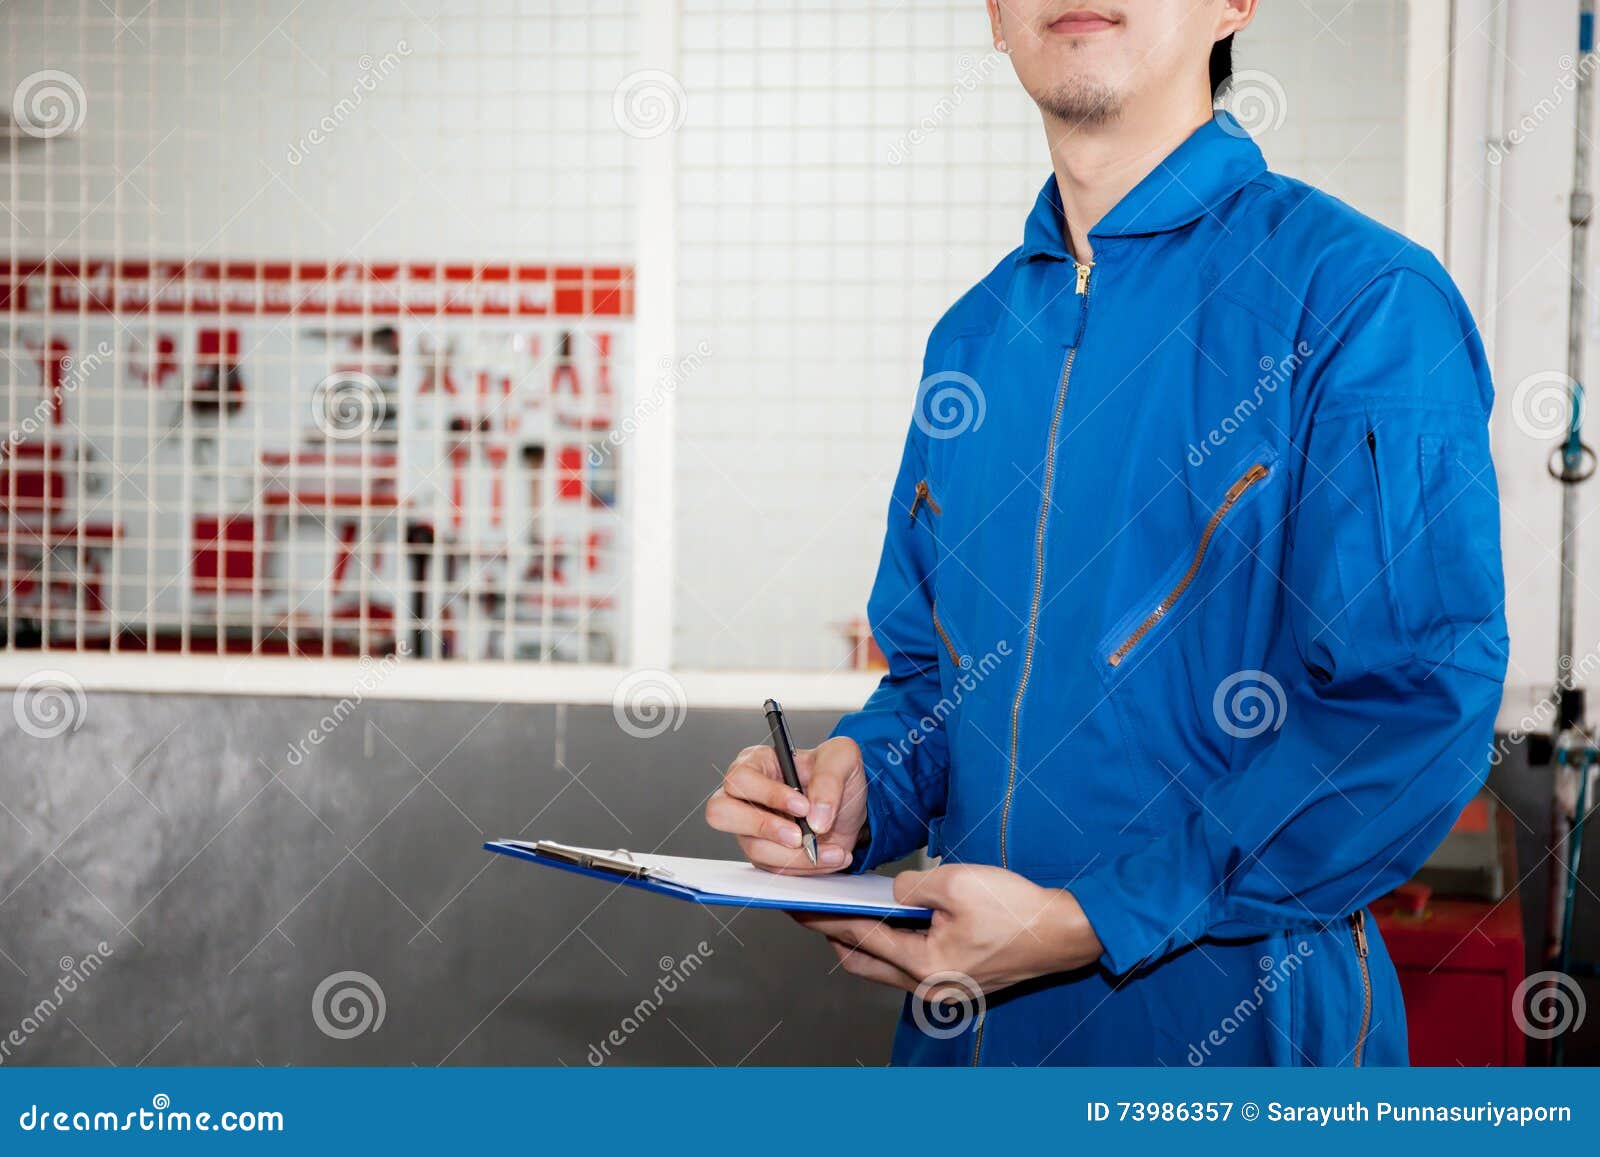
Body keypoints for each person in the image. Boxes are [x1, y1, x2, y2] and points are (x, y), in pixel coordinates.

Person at [705, 0, 1507, 1066]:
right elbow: (932, 682)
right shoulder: (977, 338)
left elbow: (1407, 713)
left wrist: (1086, 921)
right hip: (967, 1045)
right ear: (994, 16)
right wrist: (858, 780)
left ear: (1234, 4)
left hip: (1239, 1045)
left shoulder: (1359, 302)